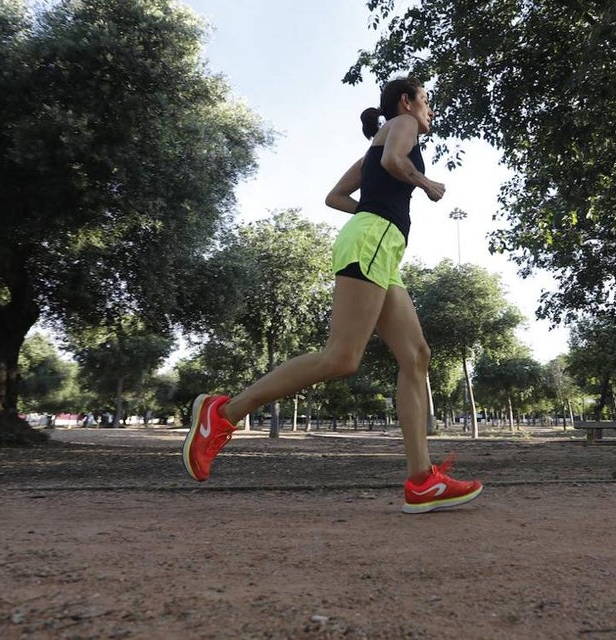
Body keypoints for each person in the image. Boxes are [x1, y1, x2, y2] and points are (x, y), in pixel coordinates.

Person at [182, 77, 483, 514]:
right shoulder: (403, 124)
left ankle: (422, 481)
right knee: (341, 357)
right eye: (427, 101)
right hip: (373, 242)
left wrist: (376, 209)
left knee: (416, 355)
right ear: (406, 101)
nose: (430, 110)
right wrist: (424, 183)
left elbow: (335, 197)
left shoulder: (377, 143)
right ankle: (223, 413)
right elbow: (398, 162)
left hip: (378, 245)